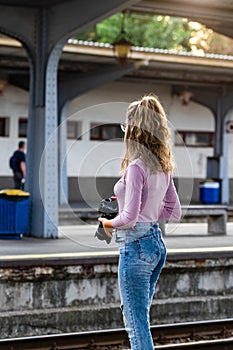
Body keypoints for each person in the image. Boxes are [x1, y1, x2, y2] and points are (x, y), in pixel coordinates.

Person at [98, 94, 181, 350]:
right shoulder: (163, 166)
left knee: (136, 327)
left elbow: (130, 218)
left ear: (133, 129)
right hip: (155, 245)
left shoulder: (136, 167)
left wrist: (106, 223)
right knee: (140, 317)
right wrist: (145, 206)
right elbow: (173, 210)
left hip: (135, 248)